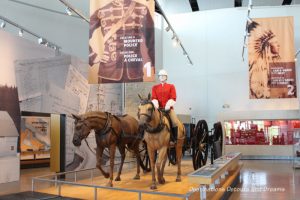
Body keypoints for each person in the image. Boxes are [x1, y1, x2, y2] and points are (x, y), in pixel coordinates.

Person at [89, 0, 155, 83]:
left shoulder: (142, 9)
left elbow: (152, 40)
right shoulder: (102, 11)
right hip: (109, 71)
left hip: (134, 70)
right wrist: (93, 57)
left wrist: (154, 66)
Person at [151, 69, 179, 146]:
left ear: (166, 77)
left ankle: (174, 139)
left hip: (168, 109)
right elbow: (154, 98)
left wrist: (168, 105)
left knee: (174, 121)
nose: (162, 77)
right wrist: (156, 105)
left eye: (164, 76)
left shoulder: (171, 86)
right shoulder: (155, 87)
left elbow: (173, 97)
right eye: (160, 76)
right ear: (158, 77)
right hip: (158, 109)